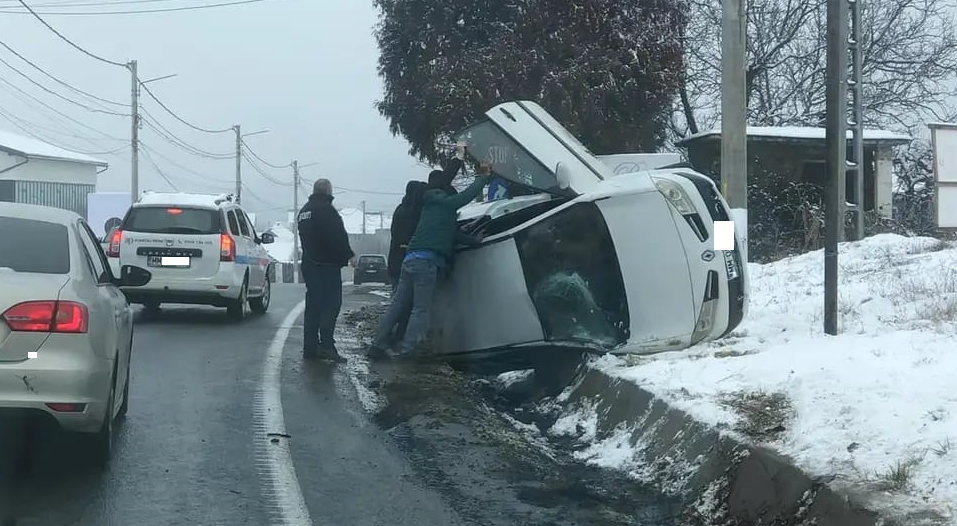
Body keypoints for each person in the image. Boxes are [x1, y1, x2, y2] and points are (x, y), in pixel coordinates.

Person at [367, 146, 491, 360]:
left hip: (410, 260)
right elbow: (464, 199)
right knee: (420, 309)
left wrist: (472, 240)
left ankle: (377, 345)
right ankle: (407, 351)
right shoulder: (445, 204)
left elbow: (450, 233)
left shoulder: (428, 206)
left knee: (397, 305)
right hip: (426, 262)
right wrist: (483, 179)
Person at [297, 178, 355, 363]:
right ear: (329, 192)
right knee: (331, 305)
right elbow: (337, 236)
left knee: (313, 306)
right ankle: (327, 346)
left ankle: (310, 348)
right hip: (326, 266)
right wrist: (349, 254)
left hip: (309, 264)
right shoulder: (327, 211)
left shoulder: (304, 211)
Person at [387, 180, 428, 294]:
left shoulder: (401, 208)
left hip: (396, 263)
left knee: (399, 301)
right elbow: (404, 239)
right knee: (403, 302)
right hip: (404, 263)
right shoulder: (412, 212)